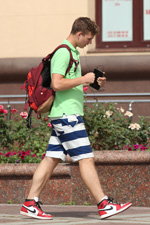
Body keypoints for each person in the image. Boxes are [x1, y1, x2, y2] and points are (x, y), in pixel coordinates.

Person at [20, 17, 132, 220]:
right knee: (86, 158)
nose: (89, 42)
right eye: (88, 38)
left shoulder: (72, 52)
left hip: (64, 115)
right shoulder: (63, 52)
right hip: (67, 117)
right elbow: (57, 84)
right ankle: (104, 204)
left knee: (51, 159)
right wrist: (84, 78)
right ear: (79, 34)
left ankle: (30, 202)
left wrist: (93, 81)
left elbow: (68, 84)